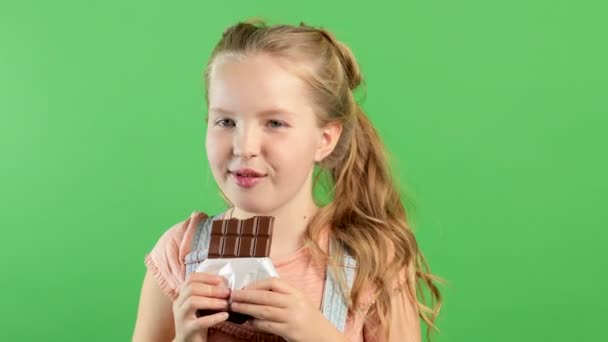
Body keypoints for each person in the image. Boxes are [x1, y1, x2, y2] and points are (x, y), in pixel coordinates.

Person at [132, 18, 442, 342]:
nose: (244, 147)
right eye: (226, 120)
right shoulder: (178, 254)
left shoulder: (373, 260)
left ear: (325, 139)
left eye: (275, 123)